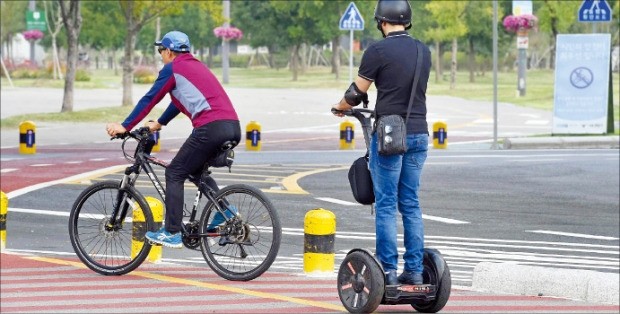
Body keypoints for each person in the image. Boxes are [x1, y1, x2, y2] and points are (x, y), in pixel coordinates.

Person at [106, 30, 241, 248]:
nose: (161, 55)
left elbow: (150, 98)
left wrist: (124, 126)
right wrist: (159, 123)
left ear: (169, 51)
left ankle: (172, 231)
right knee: (195, 170)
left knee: (174, 172)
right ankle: (225, 211)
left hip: (210, 128)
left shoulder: (173, 68)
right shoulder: (196, 66)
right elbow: (179, 101)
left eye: (161, 51)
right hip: (232, 127)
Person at [332, 0, 432, 286]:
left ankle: (387, 271)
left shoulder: (377, 50)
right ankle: (413, 269)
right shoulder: (423, 51)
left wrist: (340, 107)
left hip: (390, 136)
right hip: (419, 133)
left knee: (386, 204)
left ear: (381, 21)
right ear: (407, 21)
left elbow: (356, 93)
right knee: (410, 203)